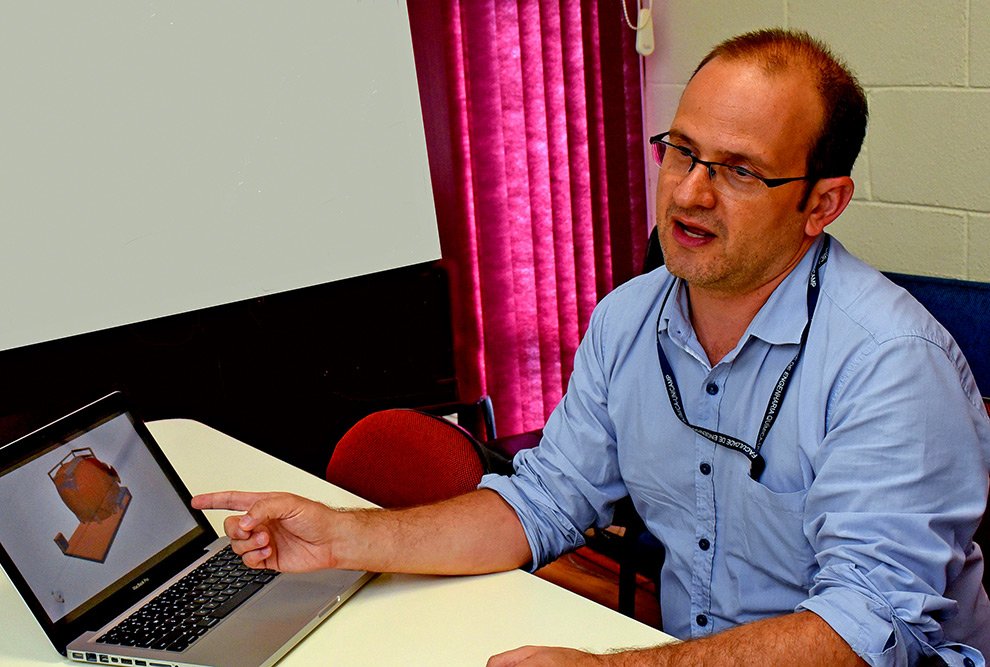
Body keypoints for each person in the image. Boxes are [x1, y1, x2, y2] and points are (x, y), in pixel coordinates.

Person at [193, 29, 990, 666]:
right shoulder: (627, 319)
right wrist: (343, 535)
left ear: (822, 203)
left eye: (740, 171)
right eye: (682, 150)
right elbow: (544, 501)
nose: (690, 192)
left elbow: (867, 628)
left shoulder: (893, 363)